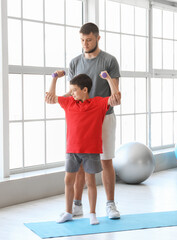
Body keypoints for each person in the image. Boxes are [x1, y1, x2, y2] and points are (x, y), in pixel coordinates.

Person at [45, 70, 120, 225]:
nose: (71, 93)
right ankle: (68, 212)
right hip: (72, 150)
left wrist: (108, 79)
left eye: (74, 90)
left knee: (90, 182)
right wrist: (54, 78)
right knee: (68, 180)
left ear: (84, 90)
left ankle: (92, 213)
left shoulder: (98, 103)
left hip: (91, 151)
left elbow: (116, 99)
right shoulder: (69, 103)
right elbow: (50, 99)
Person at [69, 22, 121, 219]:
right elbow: (73, 93)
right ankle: (77, 204)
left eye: (89, 40)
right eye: (82, 40)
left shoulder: (109, 61)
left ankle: (110, 205)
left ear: (98, 38)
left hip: (104, 117)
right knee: (81, 163)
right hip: (82, 121)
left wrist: (114, 97)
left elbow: (115, 93)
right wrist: (56, 97)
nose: (85, 43)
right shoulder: (74, 63)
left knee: (106, 160)